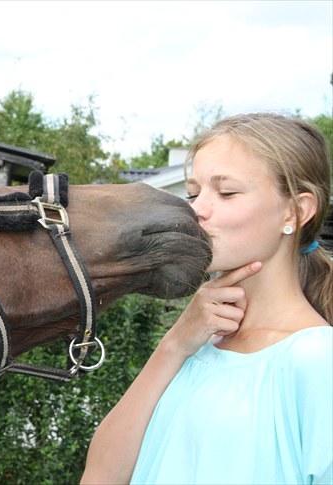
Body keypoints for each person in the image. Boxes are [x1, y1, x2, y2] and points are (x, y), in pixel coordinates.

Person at [80, 113, 333, 485]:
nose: (196, 210)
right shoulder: (197, 344)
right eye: (194, 192)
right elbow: (100, 476)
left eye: (227, 192)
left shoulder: (317, 360)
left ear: (296, 210)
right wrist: (175, 345)